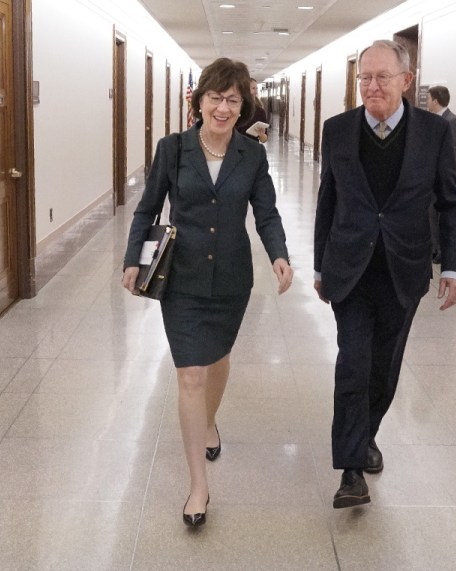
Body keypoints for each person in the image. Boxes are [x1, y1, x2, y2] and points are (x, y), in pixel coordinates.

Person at [123, 57, 293, 527]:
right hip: (182, 278)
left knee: (217, 361)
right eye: (214, 97)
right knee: (191, 375)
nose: (222, 107)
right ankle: (198, 485)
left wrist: (279, 253)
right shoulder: (173, 149)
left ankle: (210, 421)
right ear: (198, 102)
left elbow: (267, 213)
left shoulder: (251, 154)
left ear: (243, 107)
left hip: (233, 279)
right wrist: (132, 260)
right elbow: (145, 210)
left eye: (232, 99)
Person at [313, 40, 456, 509]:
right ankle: (351, 469)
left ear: (406, 79)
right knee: (353, 365)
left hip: (404, 270)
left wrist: (454, 266)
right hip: (350, 270)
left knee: (385, 368)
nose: (372, 86)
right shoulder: (337, 129)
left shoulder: (434, 133)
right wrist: (320, 263)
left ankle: (366, 435)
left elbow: (450, 202)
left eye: (382, 77)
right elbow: (328, 199)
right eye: (364, 78)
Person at [427, 85, 456, 264]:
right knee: (431, 213)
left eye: (428, 99)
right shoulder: (435, 120)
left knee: (442, 216)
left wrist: (441, 175)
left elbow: (455, 152)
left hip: (445, 179)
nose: (426, 102)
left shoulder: (452, 121)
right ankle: (434, 248)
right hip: (434, 178)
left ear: (435, 101)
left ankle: (440, 251)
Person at [236, 78, 269, 143]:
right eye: (253, 88)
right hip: (236, 147)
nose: (256, 92)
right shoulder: (236, 109)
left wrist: (261, 135)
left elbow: (264, 140)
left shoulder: (260, 112)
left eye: (256, 88)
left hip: (253, 148)